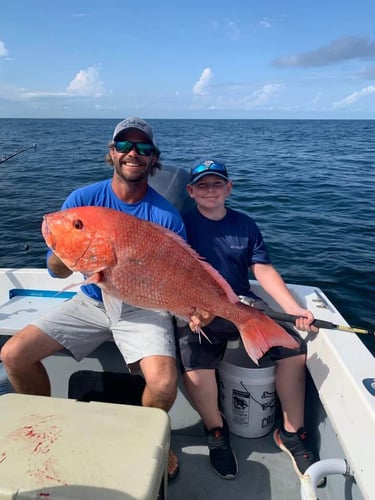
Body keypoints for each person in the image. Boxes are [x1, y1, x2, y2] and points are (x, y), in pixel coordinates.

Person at [1, 117, 185, 480]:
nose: (134, 153)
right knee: (13, 354)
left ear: (153, 158)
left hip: (142, 306)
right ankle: (45, 425)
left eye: (143, 148)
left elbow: (173, 276)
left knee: (163, 384)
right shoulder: (83, 201)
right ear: (112, 152)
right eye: (125, 146)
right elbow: (56, 272)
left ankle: (150, 442)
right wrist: (67, 253)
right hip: (91, 298)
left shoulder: (167, 215)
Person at [176, 158, 322, 481]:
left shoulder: (246, 224)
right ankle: (216, 431)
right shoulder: (181, 225)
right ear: (190, 191)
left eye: (217, 184)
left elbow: (263, 270)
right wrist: (192, 308)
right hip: (197, 309)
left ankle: (291, 432)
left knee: (293, 350)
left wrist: (291, 307)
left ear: (229, 188)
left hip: (241, 306)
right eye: (202, 185)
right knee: (195, 368)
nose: (210, 190)